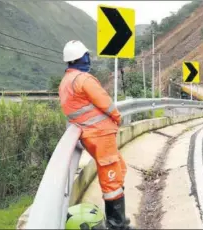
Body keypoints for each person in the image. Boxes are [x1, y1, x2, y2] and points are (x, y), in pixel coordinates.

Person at [59, 40, 131, 230]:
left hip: (90, 136)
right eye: (87, 55)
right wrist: (117, 117)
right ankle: (117, 224)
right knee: (112, 179)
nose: (89, 58)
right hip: (100, 134)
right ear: (81, 58)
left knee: (119, 169)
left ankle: (119, 218)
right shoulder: (84, 79)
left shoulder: (66, 81)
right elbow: (105, 102)